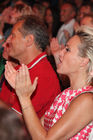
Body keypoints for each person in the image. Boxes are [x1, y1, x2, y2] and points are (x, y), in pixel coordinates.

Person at [5, 25, 93, 139]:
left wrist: (25, 98)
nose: (60, 52)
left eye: (67, 49)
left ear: (84, 61)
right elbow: (37, 130)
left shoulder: (87, 100)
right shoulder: (66, 94)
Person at [0, 15, 61, 118]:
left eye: (13, 36)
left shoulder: (43, 77)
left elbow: (13, 122)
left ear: (29, 40)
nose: (7, 41)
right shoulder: (21, 68)